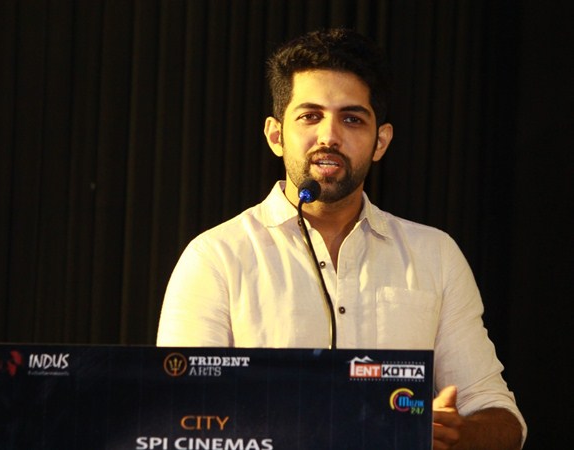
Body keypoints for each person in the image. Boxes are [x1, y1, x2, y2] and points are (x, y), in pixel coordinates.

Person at [157, 28, 526, 449]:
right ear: (276, 135)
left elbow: (502, 419)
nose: (329, 136)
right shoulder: (216, 257)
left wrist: (455, 434)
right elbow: (178, 417)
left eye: (352, 119)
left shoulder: (434, 255)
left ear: (380, 142)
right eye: (310, 116)